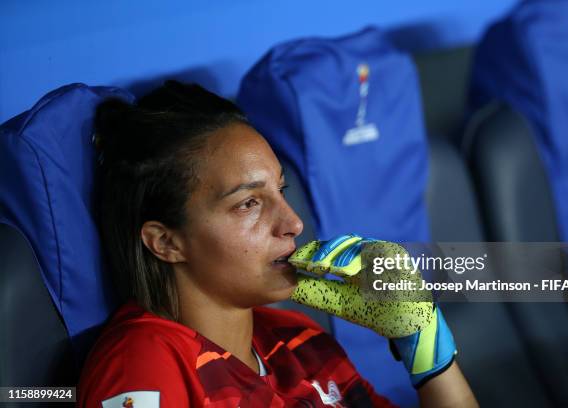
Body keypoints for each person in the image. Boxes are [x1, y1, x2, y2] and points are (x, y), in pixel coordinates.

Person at [77, 80, 478, 407]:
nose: (293, 223)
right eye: (249, 203)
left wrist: (427, 350)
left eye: (281, 191)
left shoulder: (301, 341)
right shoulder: (143, 361)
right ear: (165, 242)